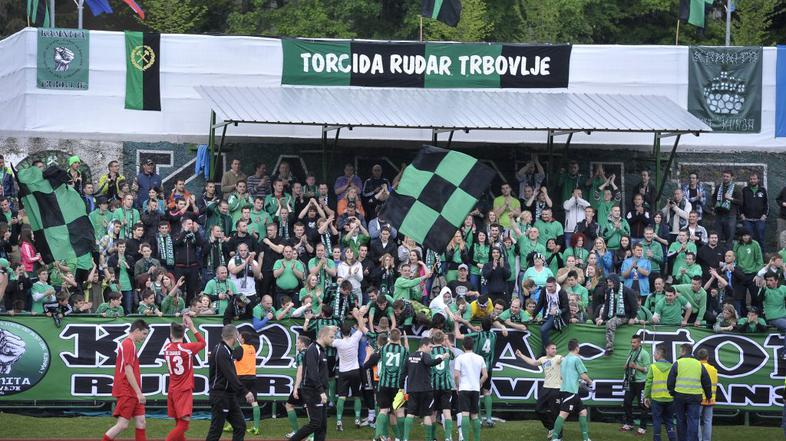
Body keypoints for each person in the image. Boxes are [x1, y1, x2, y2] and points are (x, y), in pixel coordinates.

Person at [101, 319, 149, 441]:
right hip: (127, 390)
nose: (144, 337)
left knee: (141, 422)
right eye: (144, 334)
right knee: (122, 425)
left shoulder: (130, 344)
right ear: (137, 330)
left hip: (132, 391)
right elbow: (128, 371)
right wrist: (139, 392)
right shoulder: (128, 344)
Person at [206, 324, 255, 441]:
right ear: (234, 335)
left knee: (240, 426)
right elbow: (230, 376)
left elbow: (231, 376)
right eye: (238, 334)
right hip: (220, 395)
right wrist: (245, 392)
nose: (239, 338)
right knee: (216, 430)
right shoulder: (221, 351)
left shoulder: (226, 351)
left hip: (229, 396)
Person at [163, 316, 206, 441]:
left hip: (172, 389)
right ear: (183, 334)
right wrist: (191, 327)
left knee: (179, 423)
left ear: (171, 335)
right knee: (184, 424)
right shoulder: (187, 348)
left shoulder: (166, 349)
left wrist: (180, 327)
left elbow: (174, 342)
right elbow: (203, 343)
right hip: (184, 389)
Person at [290, 326, 336, 441]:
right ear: (323, 336)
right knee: (316, 423)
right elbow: (312, 372)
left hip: (320, 391)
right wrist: (321, 391)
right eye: (331, 337)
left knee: (322, 425)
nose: (333, 339)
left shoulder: (321, 350)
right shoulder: (313, 349)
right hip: (312, 391)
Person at [401, 337, 451, 441]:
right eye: (430, 347)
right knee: (427, 414)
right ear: (423, 346)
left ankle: (405, 439)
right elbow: (430, 363)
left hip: (412, 390)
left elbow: (402, 374)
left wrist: (401, 388)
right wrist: (442, 357)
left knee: (410, 414)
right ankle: (428, 438)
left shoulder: (409, 357)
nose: (431, 349)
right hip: (425, 390)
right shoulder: (425, 355)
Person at [515, 343, 562, 439]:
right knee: (538, 410)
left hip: (556, 389)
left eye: (555, 348)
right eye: (553, 348)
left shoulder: (558, 357)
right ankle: (551, 428)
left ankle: (559, 436)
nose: (555, 350)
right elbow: (533, 363)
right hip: (545, 388)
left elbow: (565, 360)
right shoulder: (543, 359)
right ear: (547, 350)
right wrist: (521, 355)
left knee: (556, 414)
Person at [667, 344, 713, 441]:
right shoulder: (698, 364)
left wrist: (672, 392)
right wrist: (709, 396)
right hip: (695, 396)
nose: (679, 353)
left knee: (680, 420)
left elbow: (670, 380)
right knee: (694, 420)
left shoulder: (677, 363)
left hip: (679, 395)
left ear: (683, 351)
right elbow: (706, 381)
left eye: (680, 351)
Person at [333, 309, 369, 431]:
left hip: (343, 372)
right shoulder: (355, 338)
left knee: (342, 397)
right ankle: (357, 418)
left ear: (341, 333)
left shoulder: (338, 342)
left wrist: (333, 329)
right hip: (355, 371)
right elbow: (361, 327)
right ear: (350, 331)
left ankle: (338, 420)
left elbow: (327, 339)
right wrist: (360, 316)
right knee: (356, 396)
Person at [551, 339, 593, 441]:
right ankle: (554, 438)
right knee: (563, 414)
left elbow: (561, 376)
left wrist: (574, 380)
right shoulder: (576, 359)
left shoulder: (564, 359)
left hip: (569, 391)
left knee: (583, 412)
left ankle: (586, 438)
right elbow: (583, 375)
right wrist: (590, 382)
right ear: (577, 348)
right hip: (570, 392)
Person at [372, 328, 409, 441]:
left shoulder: (383, 349)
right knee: (400, 412)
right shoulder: (403, 350)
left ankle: (378, 436)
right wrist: (404, 338)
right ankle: (402, 438)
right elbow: (406, 352)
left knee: (383, 410)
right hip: (397, 386)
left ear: (389, 337)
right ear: (399, 338)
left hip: (383, 384)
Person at [453, 336, 488, 441]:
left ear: (463, 346)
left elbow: (456, 375)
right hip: (475, 389)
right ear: (473, 346)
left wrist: (457, 386)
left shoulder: (460, 358)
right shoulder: (480, 358)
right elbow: (485, 375)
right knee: (475, 415)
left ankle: (465, 439)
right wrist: (479, 383)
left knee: (465, 414)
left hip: (464, 388)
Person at [643, 344, 676, 441]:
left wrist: (646, 396)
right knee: (669, 421)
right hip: (670, 399)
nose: (653, 356)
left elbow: (648, 383)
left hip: (657, 399)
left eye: (654, 354)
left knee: (657, 420)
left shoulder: (653, 367)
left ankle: (657, 439)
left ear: (658, 354)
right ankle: (672, 438)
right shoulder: (672, 366)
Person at [620, 335, 650, 435]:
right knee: (627, 402)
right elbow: (629, 363)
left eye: (634, 342)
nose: (632, 344)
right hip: (631, 381)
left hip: (641, 383)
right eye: (631, 342)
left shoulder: (644, 353)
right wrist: (626, 366)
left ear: (639, 343)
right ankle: (629, 423)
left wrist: (636, 367)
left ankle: (642, 427)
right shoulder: (631, 351)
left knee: (643, 405)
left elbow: (648, 369)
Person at [429, 330, 456, 441]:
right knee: (447, 412)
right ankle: (448, 437)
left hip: (433, 385)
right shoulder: (447, 351)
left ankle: (432, 437)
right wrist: (447, 342)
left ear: (433, 339)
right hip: (446, 386)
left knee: (433, 413)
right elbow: (453, 355)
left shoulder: (429, 351)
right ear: (443, 339)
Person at [285, 335, 311, 438]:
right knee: (310, 408)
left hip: (303, 386)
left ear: (303, 344)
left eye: (298, 342)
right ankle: (311, 435)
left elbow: (300, 372)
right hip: (312, 385)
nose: (296, 344)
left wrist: (296, 388)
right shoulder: (313, 353)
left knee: (289, 405)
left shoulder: (300, 355)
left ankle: (297, 432)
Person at [712, 170, 741, 244]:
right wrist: (715, 205)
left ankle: (729, 254)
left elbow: (741, 202)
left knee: (730, 236)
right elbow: (713, 197)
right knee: (717, 236)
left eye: (727, 176)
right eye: (724, 176)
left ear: (732, 177)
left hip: (730, 215)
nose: (725, 178)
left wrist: (731, 199)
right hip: (719, 215)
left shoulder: (736, 188)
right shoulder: (718, 187)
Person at [741, 172, 768, 250]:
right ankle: (749, 257)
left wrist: (765, 215)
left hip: (760, 219)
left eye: (754, 179)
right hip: (747, 220)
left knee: (760, 238)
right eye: (751, 179)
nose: (752, 180)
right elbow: (741, 203)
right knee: (748, 239)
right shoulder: (745, 190)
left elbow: (766, 204)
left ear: (758, 180)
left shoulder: (762, 190)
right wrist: (742, 214)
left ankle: (761, 258)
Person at [697, 348, 717, 441]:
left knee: (696, 420)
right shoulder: (713, 369)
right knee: (708, 421)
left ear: (698, 357)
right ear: (707, 357)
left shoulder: (697, 367)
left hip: (699, 398)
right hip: (711, 399)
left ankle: (698, 439)